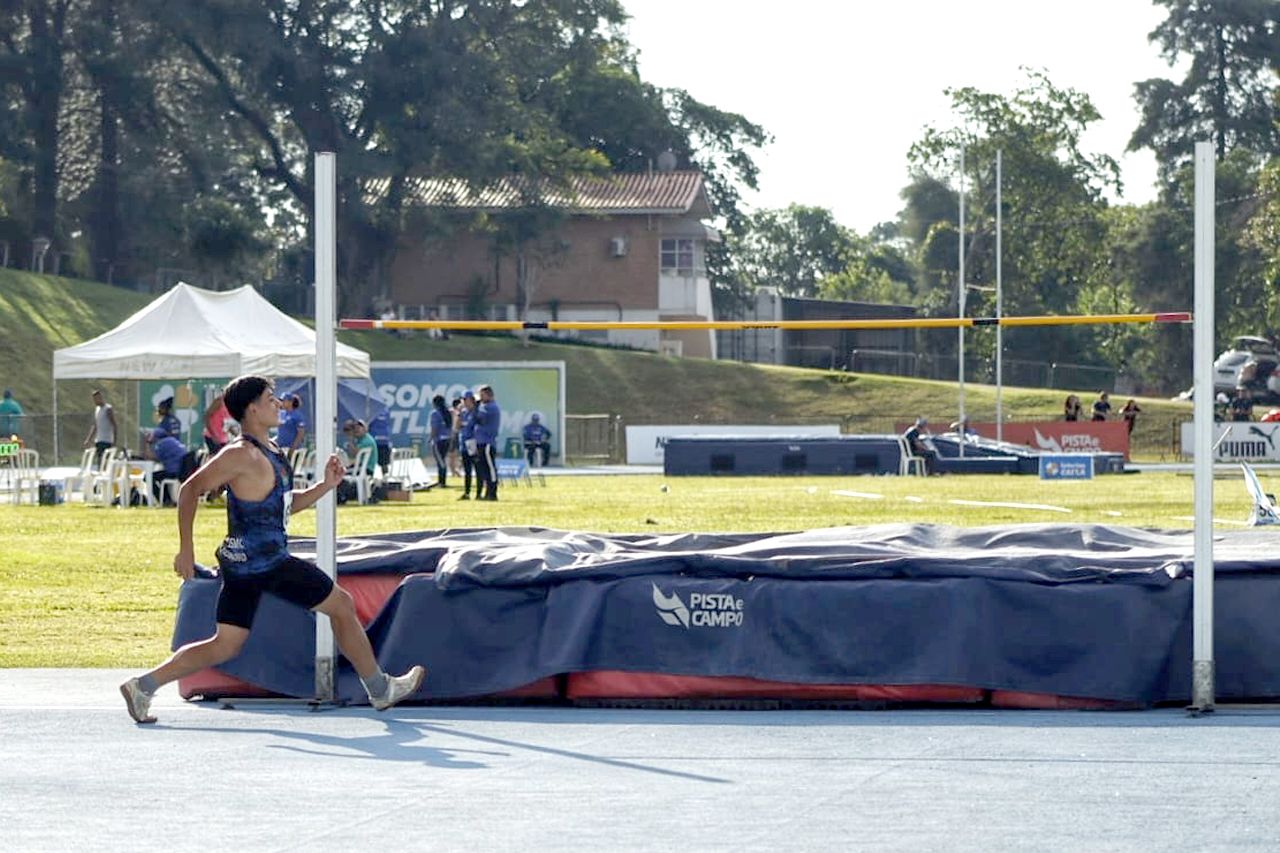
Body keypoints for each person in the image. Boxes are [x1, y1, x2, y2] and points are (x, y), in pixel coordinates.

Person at [118, 375, 424, 723]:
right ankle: (380, 688)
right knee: (341, 604)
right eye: (270, 398)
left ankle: (142, 686)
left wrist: (326, 485)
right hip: (265, 562)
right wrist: (185, 550)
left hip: (244, 565)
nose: (278, 403)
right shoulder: (240, 454)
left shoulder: (273, 451)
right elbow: (189, 490)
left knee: (226, 644)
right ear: (251, 409)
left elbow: (283, 506)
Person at [145, 427, 199, 505]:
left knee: (148, 477)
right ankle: (167, 500)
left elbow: (150, 457)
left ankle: (165, 500)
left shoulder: (161, 443)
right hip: (183, 468)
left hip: (175, 470)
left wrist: (147, 443)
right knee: (161, 477)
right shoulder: (172, 440)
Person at [473, 384, 501, 501]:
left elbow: (480, 419)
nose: (481, 398)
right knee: (484, 468)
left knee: (490, 468)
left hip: (487, 442)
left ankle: (492, 492)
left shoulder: (490, 407)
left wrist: (475, 407)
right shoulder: (485, 406)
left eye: (482, 395)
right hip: (481, 441)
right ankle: (488, 491)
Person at [84, 389, 118, 466]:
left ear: (100, 398)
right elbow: (95, 425)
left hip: (107, 441)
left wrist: (114, 441)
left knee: (105, 462)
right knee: (100, 461)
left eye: (96, 399)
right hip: (99, 440)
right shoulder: (97, 409)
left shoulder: (108, 409)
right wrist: (88, 439)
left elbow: (114, 425)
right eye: (94, 399)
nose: (95, 401)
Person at [457, 391, 478, 500]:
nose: (463, 402)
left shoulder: (476, 412)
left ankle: (479, 492)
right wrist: (459, 413)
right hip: (464, 443)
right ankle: (467, 492)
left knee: (478, 468)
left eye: (465, 399)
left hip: (473, 442)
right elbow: (457, 426)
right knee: (467, 470)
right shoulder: (464, 412)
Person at [428, 394, 452, 487]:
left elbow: (435, 428)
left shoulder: (435, 413)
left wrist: (431, 438)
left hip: (438, 440)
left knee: (440, 461)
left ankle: (442, 482)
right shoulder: (447, 412)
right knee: (442, 460)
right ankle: (441, 481)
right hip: (447, 439)